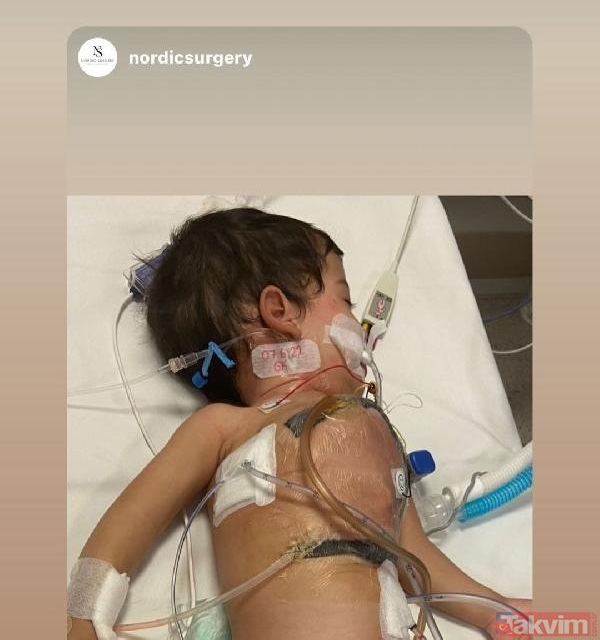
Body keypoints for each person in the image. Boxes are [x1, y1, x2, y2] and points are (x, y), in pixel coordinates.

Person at [68, 208, 531, 640]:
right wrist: (85, 617)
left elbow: (418, 560)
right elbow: (132, 519)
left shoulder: (379, 434)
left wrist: (502, 614)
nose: (359, 325)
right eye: (344, 300)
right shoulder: (226, 428)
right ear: (279, 311)